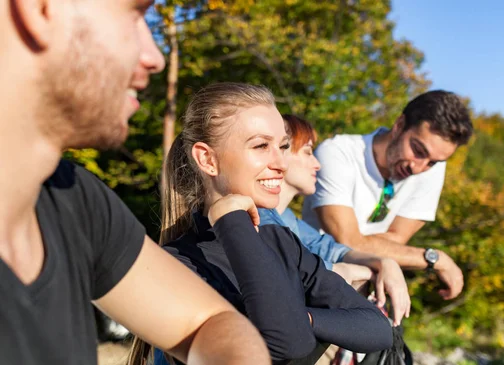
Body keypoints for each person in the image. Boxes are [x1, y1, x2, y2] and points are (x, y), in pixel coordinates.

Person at [1, 1, 270, 364]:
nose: (154, 56)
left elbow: (210, 322)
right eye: (136, 15)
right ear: (38, 8)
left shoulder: (75, 199)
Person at [146, 82, 393, 365]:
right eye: (261, 145)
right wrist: (230, 219)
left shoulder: (279, 241)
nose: (281, 163)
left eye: (283, 146)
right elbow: (288, 343)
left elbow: (376, 328)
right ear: (208, 159)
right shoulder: (177, 265)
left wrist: (303, 318)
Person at [302, 91, 473, 300]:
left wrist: (364, 243)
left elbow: (396, 239)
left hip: (371, 294)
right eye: (418, 149)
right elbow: (348, 241)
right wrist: (433, 259)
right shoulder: (338, 153)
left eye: (433, 162)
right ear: (399, 125)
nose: (418, 168)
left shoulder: (431, 168)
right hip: (316, 286)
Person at [259, 114, 410, 327]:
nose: (317, 164)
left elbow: (329, 248)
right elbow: (303, 271)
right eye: (308, 152)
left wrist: (384, 262)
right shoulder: (259, 217)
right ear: (280, 153)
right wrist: (360, 271)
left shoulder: (287, 219)